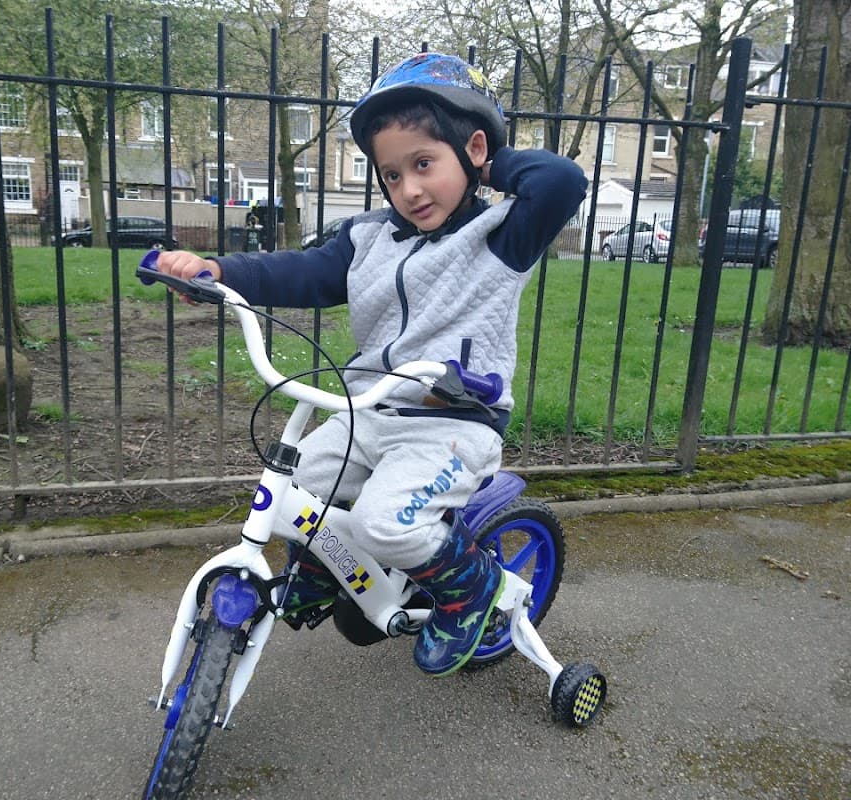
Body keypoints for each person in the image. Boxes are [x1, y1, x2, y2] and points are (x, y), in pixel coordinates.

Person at [156, 51, 588, 677]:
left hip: (451, 422)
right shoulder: (368, 240)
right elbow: (303, 272)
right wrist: (217, 272)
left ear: (470, 151)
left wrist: (488, 164)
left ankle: (469, 594)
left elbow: (563, 182)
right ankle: (324, 571)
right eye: (390, 175)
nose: (408, 189)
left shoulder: (501, 234)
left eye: (423, 164)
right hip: (371, 411)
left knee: (386, 524)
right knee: (296, 487)